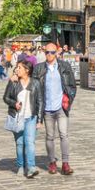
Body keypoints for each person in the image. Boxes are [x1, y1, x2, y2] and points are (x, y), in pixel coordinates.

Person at [31, 43, 76, 175]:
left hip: (61, 107)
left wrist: (68, 100)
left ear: (56, 53)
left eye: (52, 52)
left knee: (64, 135)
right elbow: (34, 88)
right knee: (50, 136)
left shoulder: (64, 66)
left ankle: (66, 163)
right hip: (47, 108)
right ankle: (52, 162)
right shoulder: (39, 68)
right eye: (47, 52)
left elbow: (72, 86)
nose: (49, 54)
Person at [3, 60, 41, 178]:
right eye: (16, 68)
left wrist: (39, 120)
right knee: (20, 143)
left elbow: (40, 101)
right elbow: (5, 98)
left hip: (31, 117)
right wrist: (14, 104)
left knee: (29, 142)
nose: (16, 69)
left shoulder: (35, 83)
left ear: (27, 70)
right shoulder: (14, 82)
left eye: (19, 67)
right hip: (17, 118)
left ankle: (31, 167)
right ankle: (20, 166)